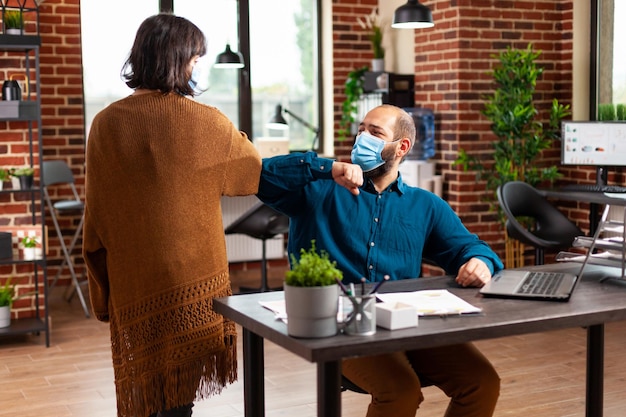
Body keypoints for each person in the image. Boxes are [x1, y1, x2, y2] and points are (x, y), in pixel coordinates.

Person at [257, 104, 504, 417]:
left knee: (482, 382)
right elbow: (260, 175)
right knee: (400, 391)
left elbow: (470, 247)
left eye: (375, 133)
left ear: (401, 147)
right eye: (361, 129)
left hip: (405, 320)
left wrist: (479, 261)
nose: (362, 138)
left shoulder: (425, 205)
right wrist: (325, 168)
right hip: (338, 322)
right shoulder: (318, 189)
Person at [83, 14, 261, 417]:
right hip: (192, 282)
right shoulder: (208, 121)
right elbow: (250, 169)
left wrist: (103, 293)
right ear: (179, 60)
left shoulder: (105, 124)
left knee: (144, 391)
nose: (196, 67)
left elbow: (96, 220)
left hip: (135, 283)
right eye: (195, 60)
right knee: (179, 398)